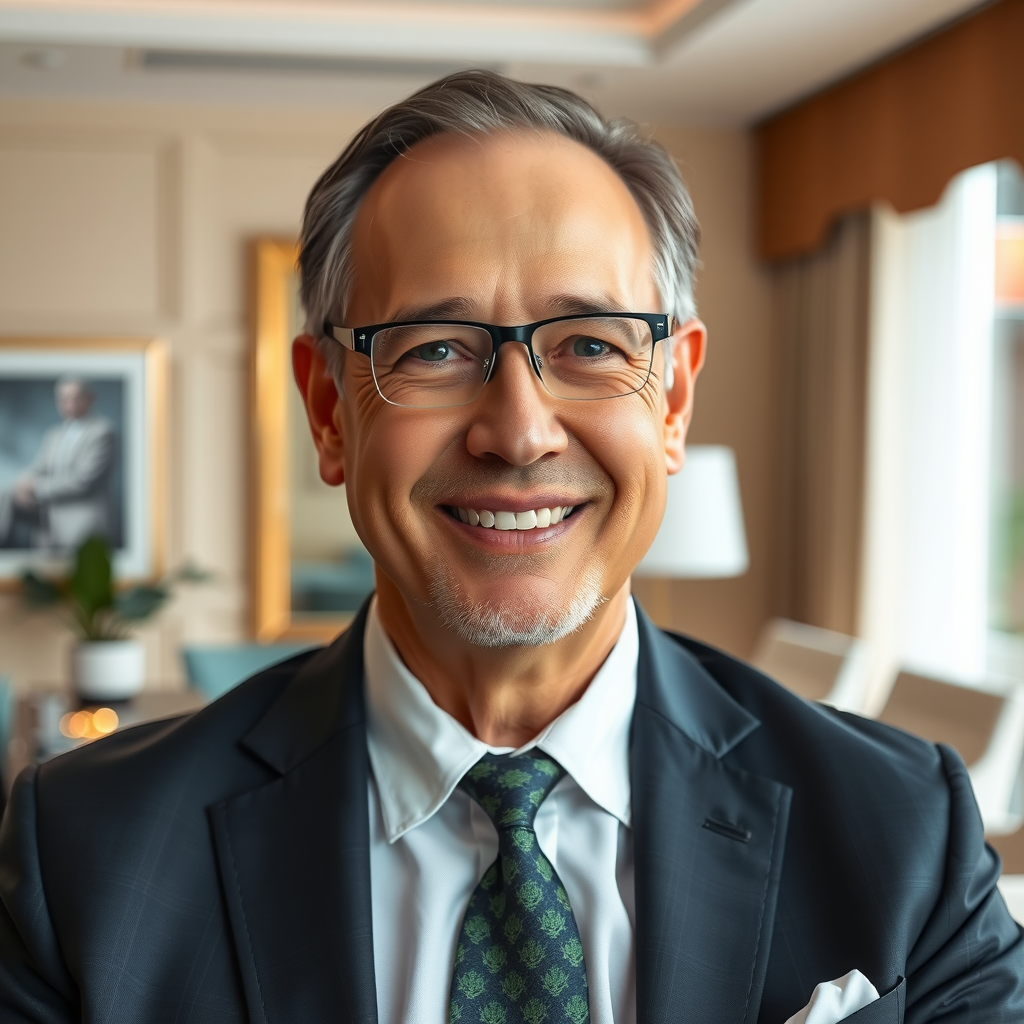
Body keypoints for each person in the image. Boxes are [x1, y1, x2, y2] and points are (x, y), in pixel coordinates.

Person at [0, 71, 1021, 1024]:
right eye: (436, 349)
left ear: (671, 400)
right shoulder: (87, 854)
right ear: (327, 411)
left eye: (589, 344)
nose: (520, 431)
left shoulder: (899, 831)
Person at [0, 377, 116, 551]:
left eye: (75, 398)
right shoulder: (54, 434)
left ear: (90, 399)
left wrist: (36, 488)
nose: (69, 404)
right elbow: (39, 467)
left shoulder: (102, 432)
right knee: (8, 494)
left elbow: (83, 480)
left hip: (82, 525)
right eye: (63, 398)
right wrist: (22, 485)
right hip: (49, 527)